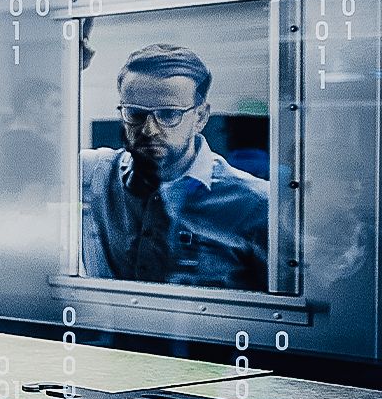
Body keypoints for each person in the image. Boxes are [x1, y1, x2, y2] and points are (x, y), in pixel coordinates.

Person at [81, 45, 270, 291]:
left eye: (169, 114)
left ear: (201, 117)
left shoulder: (255, 204)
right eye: (135, 114)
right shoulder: (94, 174)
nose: (149, 129)